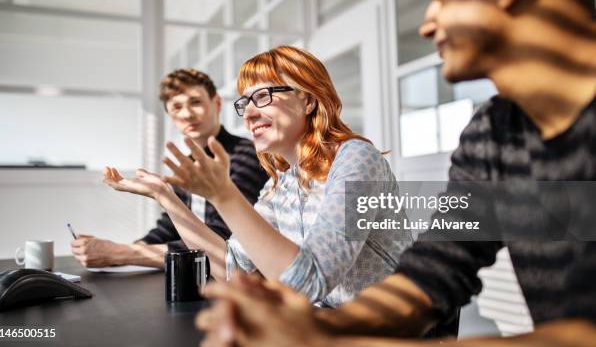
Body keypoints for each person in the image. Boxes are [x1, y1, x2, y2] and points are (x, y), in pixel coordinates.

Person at [195, 0, 596, 345]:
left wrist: (332, 338)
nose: (426, 24)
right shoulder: (494, 132)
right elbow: (438, 269)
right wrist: (318, 329)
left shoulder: (355, 158)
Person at [103, 45, 413, 306]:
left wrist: (223, 194)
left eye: (263, 96)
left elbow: (309, 282)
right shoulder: (283, 182)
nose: (249, 113)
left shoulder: (355, 157)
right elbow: (232, 268)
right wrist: (165, 196)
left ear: (307, 100)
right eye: (245, 102)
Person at [71, 69, 268, 268]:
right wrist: (115, 250)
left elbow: (224, 239)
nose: (187, 114)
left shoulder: (248, 155)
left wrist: (120, 254)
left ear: (216, 103)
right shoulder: (186, 167)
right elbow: (169, 228)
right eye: (176, 107)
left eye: (196, 102)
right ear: (171, 117)